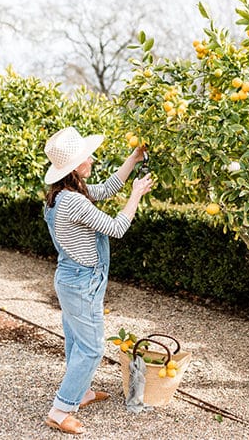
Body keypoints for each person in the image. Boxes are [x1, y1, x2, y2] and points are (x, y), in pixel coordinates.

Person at [42, 127, 153, 434]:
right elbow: (116, 228)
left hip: (71, 278)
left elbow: (106, 188)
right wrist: (136, 194)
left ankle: (82, 393)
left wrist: (133, 158)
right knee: (91, 348)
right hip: (81, 281)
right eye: (85, 156)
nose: (90, 159)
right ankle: (60, 409)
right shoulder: (75, 202)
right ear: (75, 166)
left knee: (78, 341)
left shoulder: (62, 195)